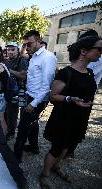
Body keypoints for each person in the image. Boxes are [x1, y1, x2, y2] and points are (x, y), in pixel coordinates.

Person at [39, 36, 101, 188]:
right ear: (84, 51)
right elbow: (53, 96)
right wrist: (69, 99)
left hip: (80, 117)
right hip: (64, 118)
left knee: (68, 146)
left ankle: (56, 166)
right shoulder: (66, 73)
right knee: (57, 147)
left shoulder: (90, 73)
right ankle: (45, 174)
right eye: (99, 49)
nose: (101, 53)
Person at [14, 30, 57, 162]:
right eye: (25, 45)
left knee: (22, 128)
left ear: (39, 41)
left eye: (30, 44)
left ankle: (16, 158)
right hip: (29, 94)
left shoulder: (48, 57)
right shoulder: (33, 56)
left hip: (37, 99)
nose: (27, 47)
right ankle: (34, 147)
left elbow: (47, 84)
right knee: (32, 123)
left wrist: (33, 104)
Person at [64, 29, 102, 159]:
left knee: (78, 121)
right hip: (79, 90)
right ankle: (64, 146)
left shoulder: (96, 57)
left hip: (85, 92)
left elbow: (83, 70)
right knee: (72, 120)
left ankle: (69, 148)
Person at [4, 42, 28, 140]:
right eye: (8, 49)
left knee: (23, 114)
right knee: (11, 113)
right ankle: (11, 132)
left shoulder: (22, 60)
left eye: (13, 49)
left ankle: (22, 135)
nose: (10, 52)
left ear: (17, 50)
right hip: (10, 91)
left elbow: (23, 75)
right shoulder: (6, 61)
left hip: (21, 90)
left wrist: (9, 71)